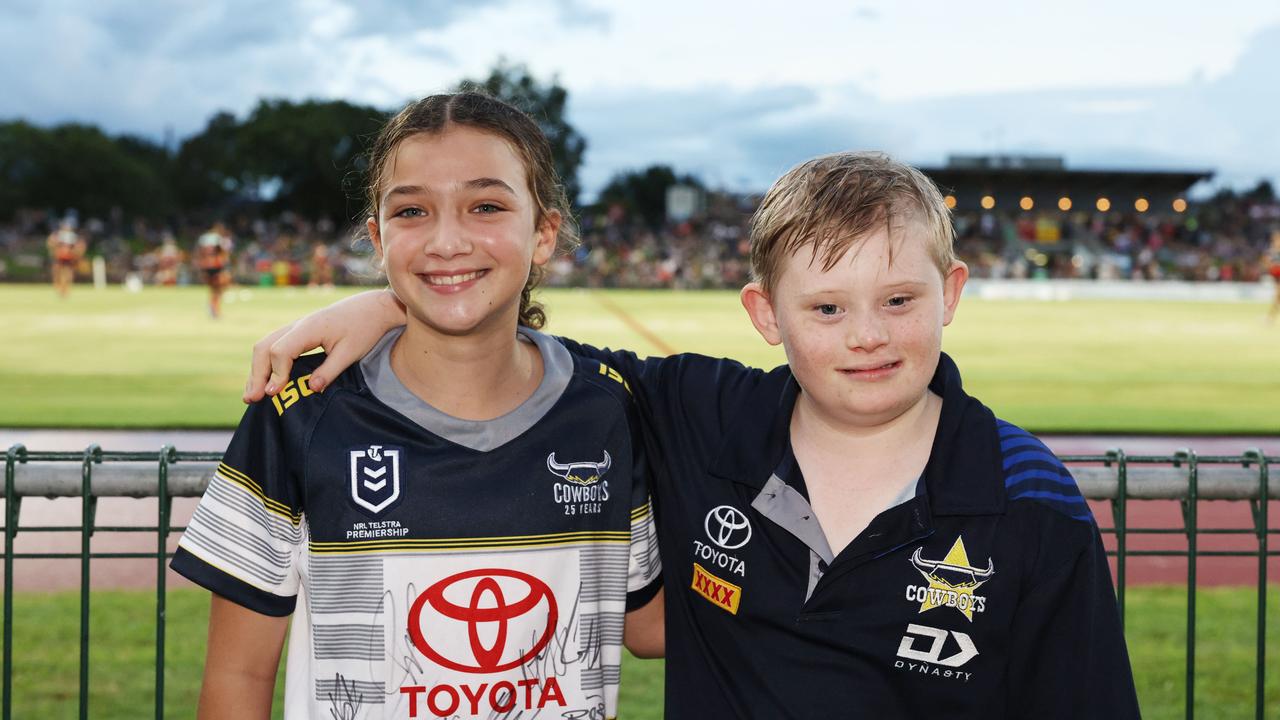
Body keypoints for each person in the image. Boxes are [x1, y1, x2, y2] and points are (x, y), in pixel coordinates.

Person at [246, 152, 1140, 718]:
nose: (867, 335)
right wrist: (391, 301)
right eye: (826, 308)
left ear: (950, 294)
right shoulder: (699, 415)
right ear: (766, 315)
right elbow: (501, 345)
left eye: (899, 301)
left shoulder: (1028, 501)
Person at [173, 92, 664, 720]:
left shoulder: (604, 409)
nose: (447, 240)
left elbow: (647, 626)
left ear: (543, 233)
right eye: (412, 211)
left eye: (485, 206)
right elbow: (237, 678)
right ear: (378, 238)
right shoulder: (301, 409)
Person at [195, 222, 233, 317]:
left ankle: (213, 307)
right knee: (219, 287)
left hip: (206, 265)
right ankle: (214, 308)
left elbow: (199, 252)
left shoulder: (203, 238)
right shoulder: (217, 238)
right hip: (216, 265)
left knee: (213, 289)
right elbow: (222, 251)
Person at [46, 218, 85, 298]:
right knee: (57, 273)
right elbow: (51, 242)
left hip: (68, 257)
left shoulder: (72, 236)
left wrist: (75, 254)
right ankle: (60, 288)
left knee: (67, 273)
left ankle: (65, 289)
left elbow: (79, 246)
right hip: (59, 256)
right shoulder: (59, 235)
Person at [1268, 230, 1280, 323]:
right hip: (1276, 277)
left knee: (1277, 296)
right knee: (1277, 297)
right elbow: (1271, 263)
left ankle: (1271, 317)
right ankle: (1271, 317)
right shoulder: (1272, 250)